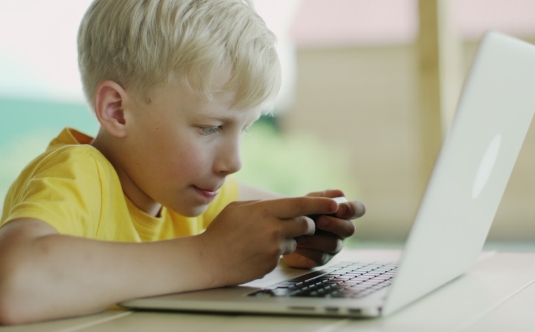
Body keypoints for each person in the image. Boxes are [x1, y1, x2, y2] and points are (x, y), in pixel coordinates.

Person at [0, 0, 365, 325]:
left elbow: (263, 219)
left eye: (245, 129)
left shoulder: (175, 191)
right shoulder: (79, 173)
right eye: (209, 127)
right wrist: (210, 257)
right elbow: (10, 283)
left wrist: (304, 235)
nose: (233, 162)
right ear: (118, 111)